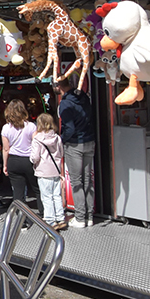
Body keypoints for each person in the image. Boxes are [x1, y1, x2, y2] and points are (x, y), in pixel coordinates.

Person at [55, 76, 96, 228]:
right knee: (88, 180)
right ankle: (89, 216)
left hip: (74, 144)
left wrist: (62, 139)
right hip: (89, 140)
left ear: (59, 87)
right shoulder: (82, 96)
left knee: (76, 181)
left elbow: (69, 127)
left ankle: (80, 217)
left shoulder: (65, 103)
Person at [30, 113, 65, 230]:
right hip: (55, 170)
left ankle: (50, 220)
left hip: (43, 171)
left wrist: (32, 161)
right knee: (57, 195)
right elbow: (61, 154)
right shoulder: (57, 137)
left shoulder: (37, 139)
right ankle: (60, 218)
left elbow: (35, 157)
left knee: (46, 197)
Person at [0, 100, 37, 212]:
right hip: (28, 160)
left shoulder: (6, 128)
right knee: (37, 188)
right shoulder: (31, 126)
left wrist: (5, 165)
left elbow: (6, 149)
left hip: (14, 161)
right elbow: (36, 144)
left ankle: (22, 218)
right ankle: (44, 216)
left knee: (18, 191)